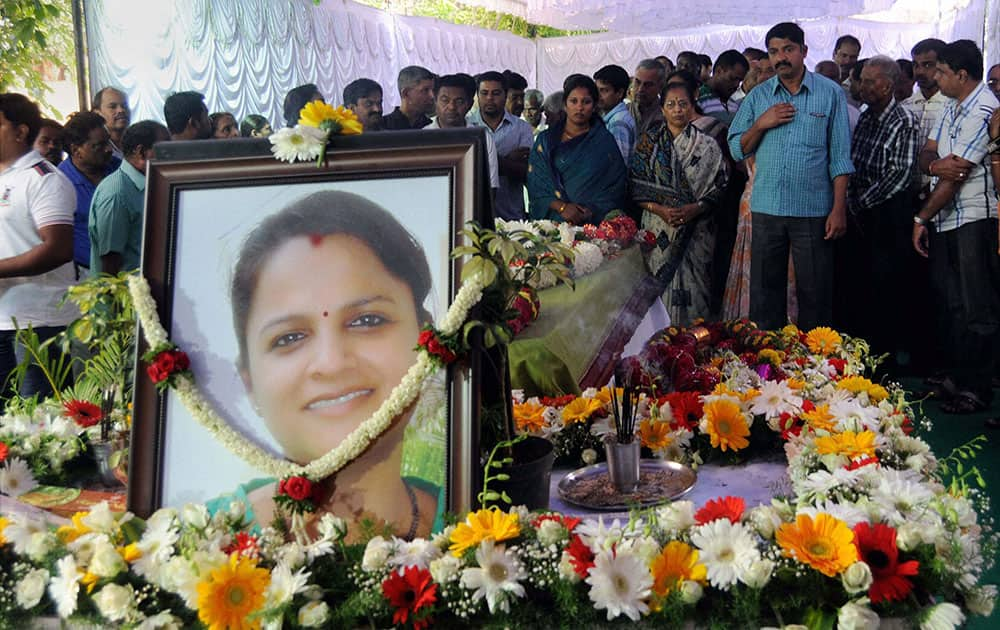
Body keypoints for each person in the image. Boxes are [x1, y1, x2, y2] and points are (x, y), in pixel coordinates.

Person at [215, 190, 445, 540]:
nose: (332, 363)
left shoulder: (483, 525)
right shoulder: (189, 541)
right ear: (249, 383)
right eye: (289, 338)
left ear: (426, 340)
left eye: (367, 320)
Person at [728, 21, 854, 332]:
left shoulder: (830, 94)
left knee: (815, 294)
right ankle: (767, 364)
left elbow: (840, 158)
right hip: (767, 208)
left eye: (788, 49)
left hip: (813, 210)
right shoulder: (758, 98)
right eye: (774, 52)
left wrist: (838, 209)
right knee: (764, 294)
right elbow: (735, 149)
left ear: (803, 51)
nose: (781, 57)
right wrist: (761, 124)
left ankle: (816, 368)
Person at [911, 39, 998, 416]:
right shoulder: (950, 104)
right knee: (953, 304)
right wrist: (932, 166)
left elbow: (957, 172)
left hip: (974, 219)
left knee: (977, 306)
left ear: (962, 75)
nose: (934, 76)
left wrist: (920, 217)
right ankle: (958, 376)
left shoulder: (985, 108)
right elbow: (928, 153)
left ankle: (978, 387)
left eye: (941, 71)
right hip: (948, 217)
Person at [631, 81, 728, 326]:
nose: (677, 110)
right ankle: (657, 340)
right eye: (671, 105)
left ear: (692, 106)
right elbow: (635, 185)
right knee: (657, 288)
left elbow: (720, 185)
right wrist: (661, 210)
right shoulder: (648, 143)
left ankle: (693, 342)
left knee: (696, 290)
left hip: (696, 230)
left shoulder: (707, 145)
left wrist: (695, 208)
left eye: (683, 104)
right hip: (657, 226)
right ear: (662, 109)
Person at [0, 93, 78, 401]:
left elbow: (58, 248)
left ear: (20, 132)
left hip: (38, 321)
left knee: (40, 424)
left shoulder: (44, 179)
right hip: (4, 317)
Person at [843, 56, 921, 355]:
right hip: (859, 210)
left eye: (870, 81)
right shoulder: (865, 115)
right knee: (859, 285)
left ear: (888, 85)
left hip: (887, 214)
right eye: (862, 80)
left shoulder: (903, 120)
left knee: (885, 289)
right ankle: (857, 354)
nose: (863, 87)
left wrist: (858, 203)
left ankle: (883, 358)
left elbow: (899, 176)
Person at [527, 74, 627, 225]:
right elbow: (536, 184)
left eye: (586, 102)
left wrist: (591, 211)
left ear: (594, 106)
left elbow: (615, 188)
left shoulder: (604, 141)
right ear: (565, 105)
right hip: (552, 225)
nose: (579, 107)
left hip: (592, 226)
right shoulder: (546, 140)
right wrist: (562, 208)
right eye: (574, 101)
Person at [88, 120, 170, 275]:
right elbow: (110, 262)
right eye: (164, 149)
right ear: (141, 153)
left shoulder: (151, 185)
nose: (170, 156)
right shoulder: (117, 193)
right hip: (125, 295)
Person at [468, 71, 534, 220]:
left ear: (505, 95)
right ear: (477, 96)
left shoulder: (521, 128)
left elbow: (526, 172)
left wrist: (484, 159)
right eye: (484, 93)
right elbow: (467, 170)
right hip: (475, 215)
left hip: (511, 215)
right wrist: (508, 161)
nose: (489, 98)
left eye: (496, 93)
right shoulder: (467, 127)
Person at [58, 111, 118, 274]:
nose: (108, 150)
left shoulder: (118, 168)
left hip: (126, 269)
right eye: (99, 145)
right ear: (76, 150)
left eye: (108, 142)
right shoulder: (60, 183)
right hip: (85, 275)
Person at [425, 74, 499, 193]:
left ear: (469, 104)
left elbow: (491, 189)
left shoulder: (483, 138)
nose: (451, 107)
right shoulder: (422, 137)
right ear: (435, 102)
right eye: (445, 100)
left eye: (459, 101)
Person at [593, 64, 636, 161]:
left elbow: (618, 163)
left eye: (604, 90)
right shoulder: (610, 116)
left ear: (620, 93)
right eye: (597, 90)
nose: (598, 95)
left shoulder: (618, 123)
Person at [697, 50, 749, 125]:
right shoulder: (699, 97)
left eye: (740, 80)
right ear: (719, 71)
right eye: (732, 78)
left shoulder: (736, 100)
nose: (736, 85)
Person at [383, 66, 435, 130]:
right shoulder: (383, 127)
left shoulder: (432, 126)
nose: (432, 96)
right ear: (406, 93)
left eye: (432, 90)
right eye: (425, 90)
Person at [816, 59, 861, 132]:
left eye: (831, 78)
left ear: (839, 81)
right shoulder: (798, 108)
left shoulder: (853, 115)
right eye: (820, 78)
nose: (825, 83)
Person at [630, 59, 667, 135]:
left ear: (661, 86)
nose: (640, 89)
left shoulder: (666, 116)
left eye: (648, 85)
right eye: (637, 82)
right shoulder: (624, 110)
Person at [92, 87, 130, 159]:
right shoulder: (95, 149)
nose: (121, 110)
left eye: (124, 106)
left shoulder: (138, 142)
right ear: (97, 113)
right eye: (112, 107)